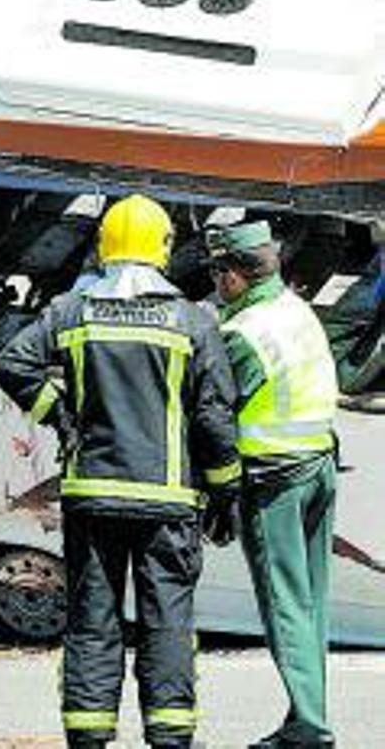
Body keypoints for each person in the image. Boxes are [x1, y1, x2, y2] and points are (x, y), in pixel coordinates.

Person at [0, 194, 241, 748]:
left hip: (93, 496)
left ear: (104, 248)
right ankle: (170, 737)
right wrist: (226, 493)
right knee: (167, 623)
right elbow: (213, 418)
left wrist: (59, 415)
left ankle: (88, 738)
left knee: (91, 623)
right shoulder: (192, 322)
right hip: (169, 502)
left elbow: (12, 362)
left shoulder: (71, 310)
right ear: (164, 250)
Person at [206, 221, 340, 748]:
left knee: (285, 607)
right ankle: (304, 717)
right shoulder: (294, 310)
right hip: (318, 466)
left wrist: (213, 490)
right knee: (310, 607)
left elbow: (215, 412)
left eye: (219, 272)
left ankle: (310, 726)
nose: (216, 282)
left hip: (274, 479)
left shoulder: (245, 333)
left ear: (238, 274)